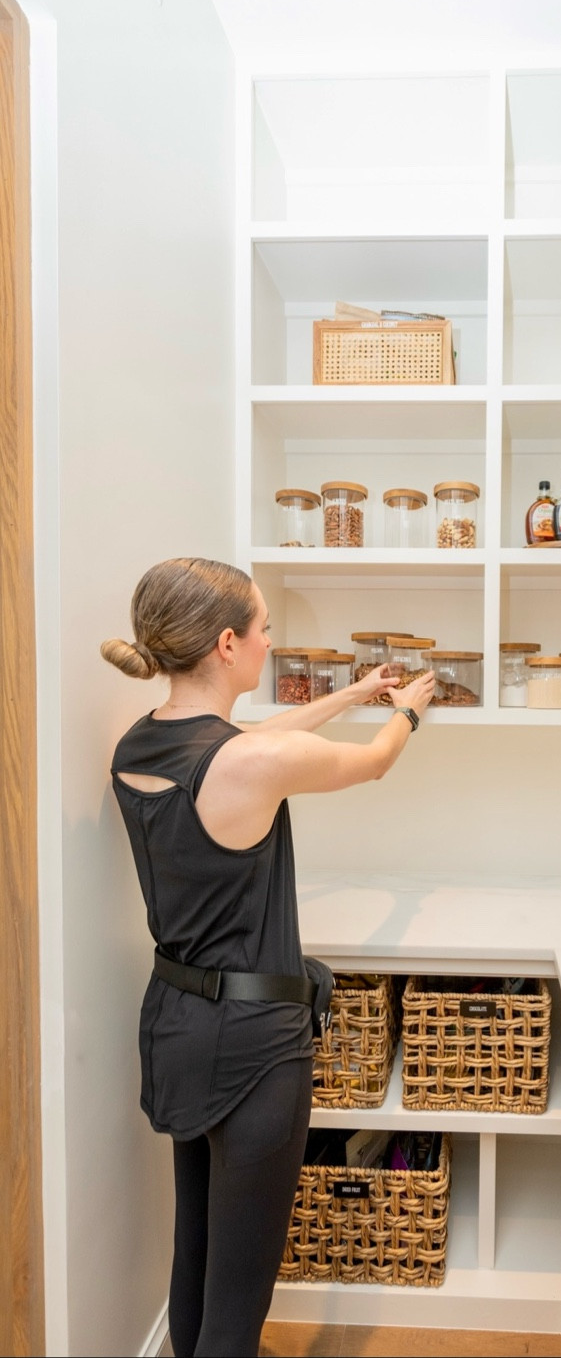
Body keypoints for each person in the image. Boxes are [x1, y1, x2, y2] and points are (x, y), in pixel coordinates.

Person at [100, 557, 434, 1358]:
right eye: (264, 629)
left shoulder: (142, 745)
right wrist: (408, 714)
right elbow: (374, 762)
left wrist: (353, 694)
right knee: (242, 1288)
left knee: (200, 1250)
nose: (268, 642)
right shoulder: (246, 763)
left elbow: (251, 745)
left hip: (176, 1024)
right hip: (253, 1043)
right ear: (226, 644)